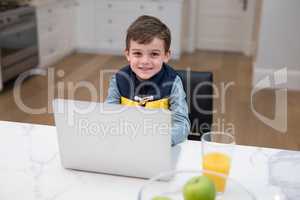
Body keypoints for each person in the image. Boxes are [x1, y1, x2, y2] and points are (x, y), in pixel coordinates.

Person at [105, 15, 190, 146]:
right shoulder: (118, 80)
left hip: (160, 146)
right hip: (126, 144)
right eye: (137, 53)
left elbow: (182, 125)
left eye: (154, 54)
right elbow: (108, 117)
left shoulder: (173, 83)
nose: (145, 61)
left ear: (166, 56)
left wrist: (158, 142)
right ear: (128, 54)